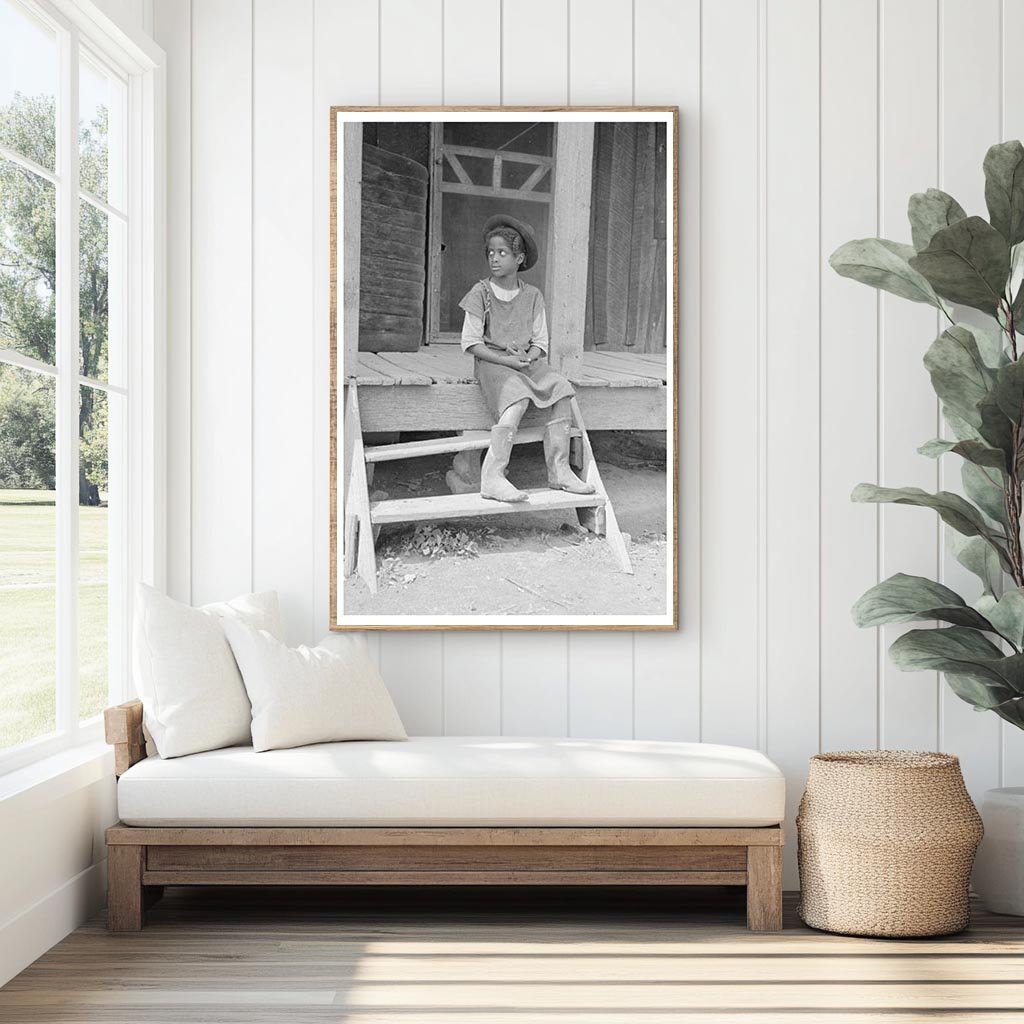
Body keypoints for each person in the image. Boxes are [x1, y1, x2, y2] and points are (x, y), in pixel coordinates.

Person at [457, 214, 595, 503]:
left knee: (560, 387)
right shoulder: (480, 292)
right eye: (491, 252)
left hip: (523, 361)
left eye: (503, 253)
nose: (494, 258)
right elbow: (470, 342)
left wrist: (529, 356)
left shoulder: (532, 295)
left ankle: (559, 470)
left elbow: (540, 342)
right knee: (517, 396)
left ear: (519, 259)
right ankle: (493, 476)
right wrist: (507, 362)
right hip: (492, 362)